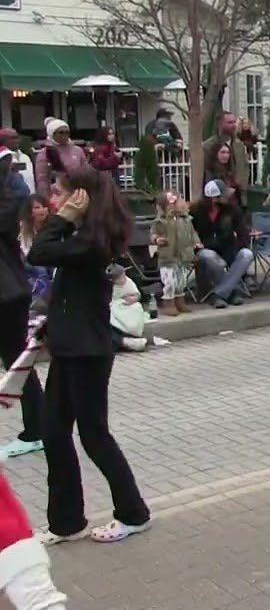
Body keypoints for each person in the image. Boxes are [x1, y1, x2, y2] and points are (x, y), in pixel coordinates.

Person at [26, 167, 150, 545]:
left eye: (61, 194)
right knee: (53, 432)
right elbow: (68, 294)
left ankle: (133, 513)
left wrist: (63, 219)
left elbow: (38, 252)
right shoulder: (82, 237)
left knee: (94, 435)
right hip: (69, 347)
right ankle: (66, 521)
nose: (53, 201)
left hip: (88, 353)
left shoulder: (91, 241)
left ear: (80, 199)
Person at [0, 150, 41, 460]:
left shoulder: (8, 199)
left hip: (7, 292)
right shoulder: (11, 195)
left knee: (18, 364)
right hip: (11, 290)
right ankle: (38, 429)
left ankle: (37, 430)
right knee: (19, 364)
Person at [192, 179, 253, 308]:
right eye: (224, 195)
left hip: (229, 249)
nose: (229, 197)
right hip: (207, 250)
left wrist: (240, 245)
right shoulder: (196, 211)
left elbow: (242, 231)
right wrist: (195, 242)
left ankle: (220, 294)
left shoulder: (232, 209)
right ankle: (233, 291)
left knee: (247, 254)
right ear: (215, 198)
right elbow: (189, 231)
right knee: (209, 256)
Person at [150, 191, 199, 316]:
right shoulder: (161, 221)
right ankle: (168, 303)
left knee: (181, 281)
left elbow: (192, 233)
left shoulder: (186, 220)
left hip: (183, 256)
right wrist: (157, 239)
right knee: (169, 281)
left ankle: (179, 301)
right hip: (168, 256)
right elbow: (153, 233)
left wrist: (196, 242)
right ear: (169, 206)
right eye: (180, 201)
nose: (184, 203)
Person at [203, 112, 250, 208]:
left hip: (238, 196)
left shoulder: (239, 145)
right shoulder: (209, 145)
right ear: (220, 124)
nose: (233, 125)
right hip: (219, 196)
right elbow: (206, 169)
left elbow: (244, 166)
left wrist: (242, 186)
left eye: (234, 122)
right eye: (229, 122)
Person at [34, 118, 86, 197]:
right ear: (52, 134)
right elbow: (42, 180)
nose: (64, 135)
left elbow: (86, 170)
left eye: (67, 132)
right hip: (57, 196)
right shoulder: (45, 153)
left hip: (77, 193)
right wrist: (45, 199)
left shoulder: (77, 150)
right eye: (61, 133)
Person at [106, 265, 148, 352]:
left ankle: (132, 333)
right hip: (115, 305)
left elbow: (137, 294)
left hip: (128, 304)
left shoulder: (128, 282)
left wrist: (133, 298)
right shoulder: (109, 286)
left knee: (137, 307)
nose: (123, 279)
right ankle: (127, 341)